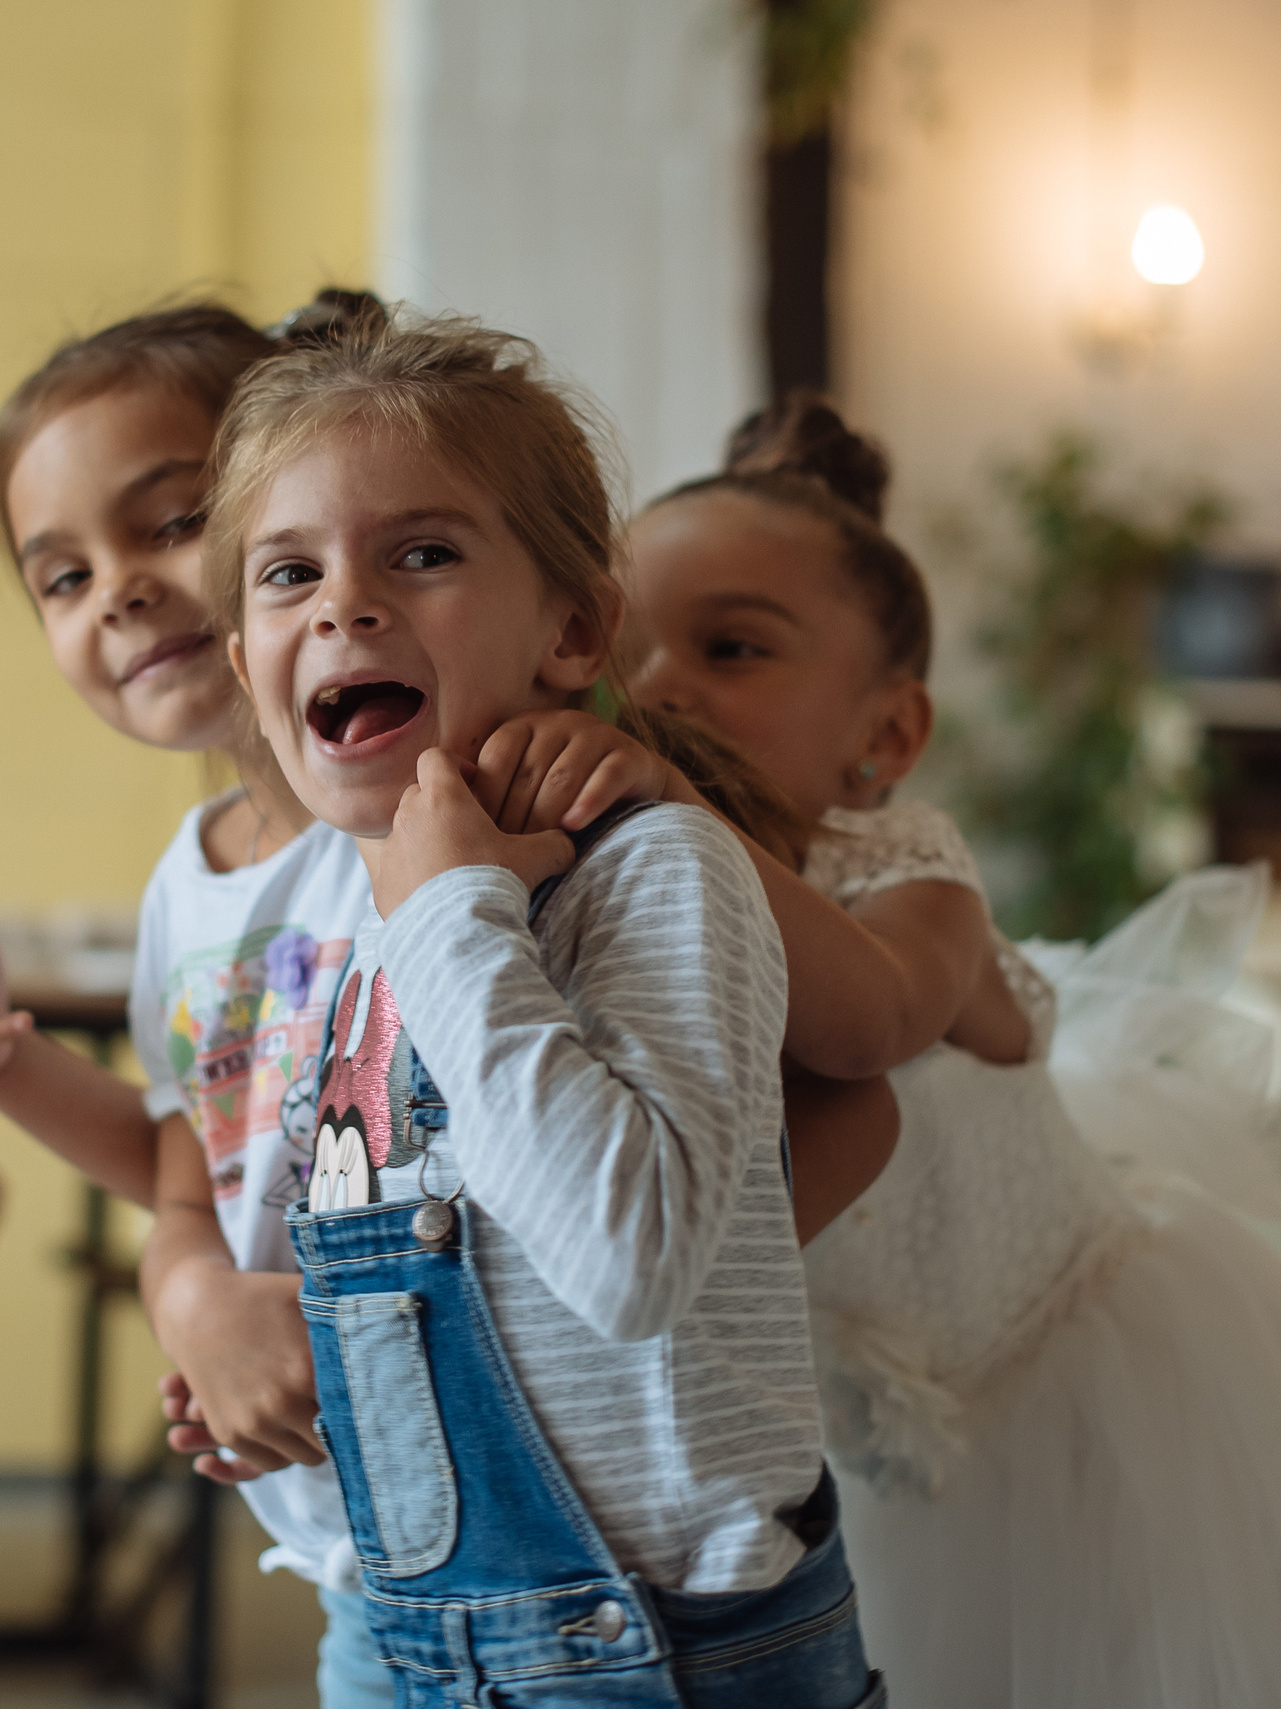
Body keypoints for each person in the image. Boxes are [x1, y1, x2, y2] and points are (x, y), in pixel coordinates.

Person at [0, 293, 717, 1705]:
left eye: (166, 523)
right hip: (361, 1561)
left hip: (567, 1557)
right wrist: (33, 1100)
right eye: (60, 574)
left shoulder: (461, 812)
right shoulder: (191, 882)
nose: (115, 589)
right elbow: (198, 1151)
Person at [627, 392, 1281, 1707]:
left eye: (730, 648)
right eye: (617, 651)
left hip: (1071, 1409)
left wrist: (669, 812)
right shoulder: (624, 896)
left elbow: (872, 1018)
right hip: (843, 1454)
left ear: (885, 737)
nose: (659, 687)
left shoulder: (906, 877)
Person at [203, 314, 881, 1707]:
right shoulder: (372, 907)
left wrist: (452, 914)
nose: (345, 603)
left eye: (424, 552)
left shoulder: (656, 873)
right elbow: (469, 1277)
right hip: (413, 1632)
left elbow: (626, 1257)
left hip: (653, 1655)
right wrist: (320, 1381)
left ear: (575, 626)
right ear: (245, 666)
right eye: (290, 572)